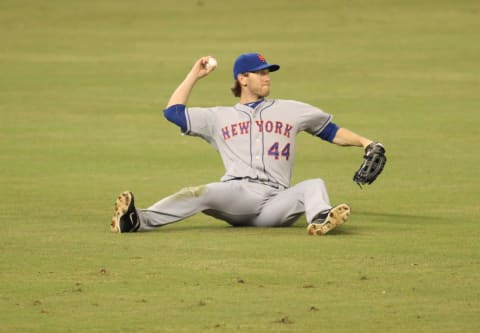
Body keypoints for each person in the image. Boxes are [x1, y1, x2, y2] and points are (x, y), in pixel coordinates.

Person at [111, 53, 384, 235]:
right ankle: (137, 221)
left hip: (277, 202)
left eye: (268, 72)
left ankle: (320, 219)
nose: (267, 77)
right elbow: (173, 112)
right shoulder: (218, 116)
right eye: (259, 72)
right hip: (237, 194)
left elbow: (331, 131)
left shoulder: (292, 110)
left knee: (314, 185)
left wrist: (365, 142)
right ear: (243, 79)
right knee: (199, 193)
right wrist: (194, 74)